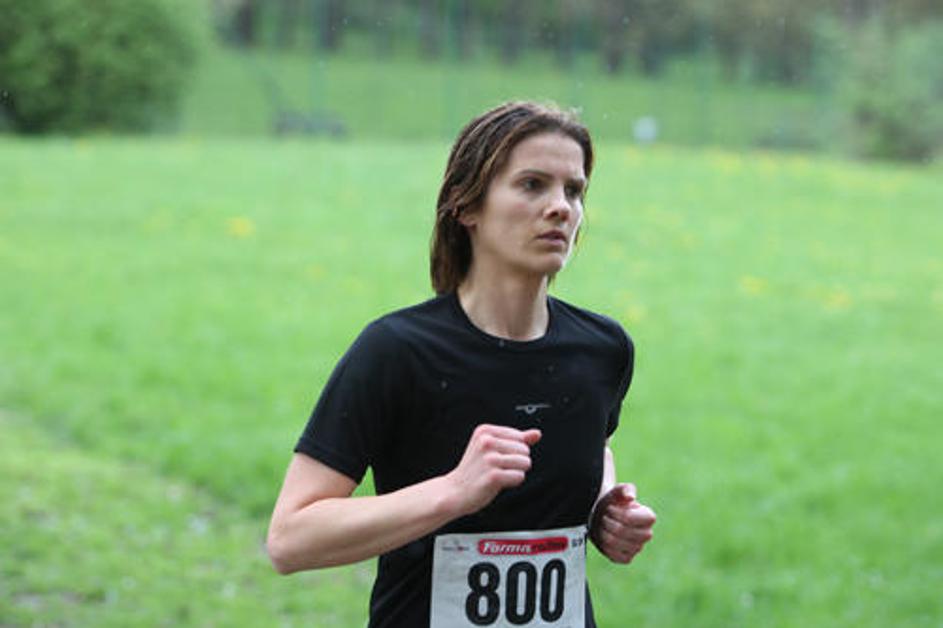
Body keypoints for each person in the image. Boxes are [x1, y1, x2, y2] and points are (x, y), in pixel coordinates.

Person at [267, 101, 656, 627]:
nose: (560, 208)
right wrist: (453, 492)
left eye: (573, 190)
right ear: (467, 206)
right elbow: (290, 539)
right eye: (532, 185)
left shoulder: (602, 349)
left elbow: (591, 443)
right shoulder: (397, 352)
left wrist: (603, 507)